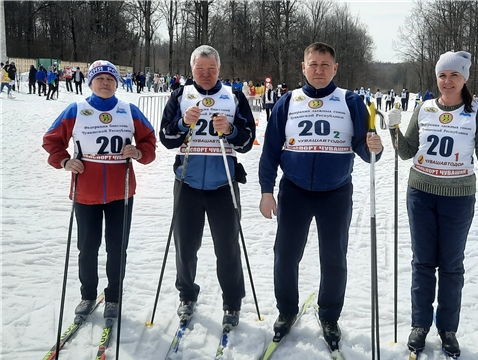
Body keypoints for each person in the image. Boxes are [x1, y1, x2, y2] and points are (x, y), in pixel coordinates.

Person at [258, 42, 383, 347]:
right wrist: (266, 190)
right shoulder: (288, 101)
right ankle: (286, 311)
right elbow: (271, 150)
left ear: (335, 68)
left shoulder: (350, 101)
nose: (319, 70)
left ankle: (329, 314)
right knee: (285, 256)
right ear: (303, 67)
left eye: (325, 65)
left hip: (335, 192)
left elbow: (365, 151)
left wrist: (373, 148)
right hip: (294, 190)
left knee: (334, 259)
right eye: (313, 64)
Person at [386, 51, 478, 358]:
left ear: (464, 78)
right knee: (423, 262)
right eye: (442, 75)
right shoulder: (425, 108)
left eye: (454, 75)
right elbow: (406, 151)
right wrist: (394, 130)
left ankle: (448, 328)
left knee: (451, 266)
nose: (448, 81)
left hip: (458, 197)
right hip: (421, 192)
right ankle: (420, 325)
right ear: (436, 78)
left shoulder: (476, 111)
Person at [42, 60, 156, 321]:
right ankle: (88, 294)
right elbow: (51, 140)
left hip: (122, 191)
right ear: (90, 82)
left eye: (110, 79)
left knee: (117, 247)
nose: (105, 83)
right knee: (88, 246)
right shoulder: (76, 109)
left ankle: (113, 297)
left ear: (117, 83)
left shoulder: (129, 110)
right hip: (86, 191)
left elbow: (149, 141)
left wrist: (138, 152)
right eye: (100, 78)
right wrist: (64, 160)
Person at [159, 45, 255, 328]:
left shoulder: (234, 96)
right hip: (187, 181)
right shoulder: (180, 95)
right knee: (185, 246)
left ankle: (232, 302)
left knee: (227, 247)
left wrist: (231, 130)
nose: (205, 74)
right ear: (192, 70)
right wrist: (182, 122)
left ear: (219, 69)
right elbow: (165, 137)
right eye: (200, 69)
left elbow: (247, 141)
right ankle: (187, 295)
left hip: (223, 183)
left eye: (211, 69)